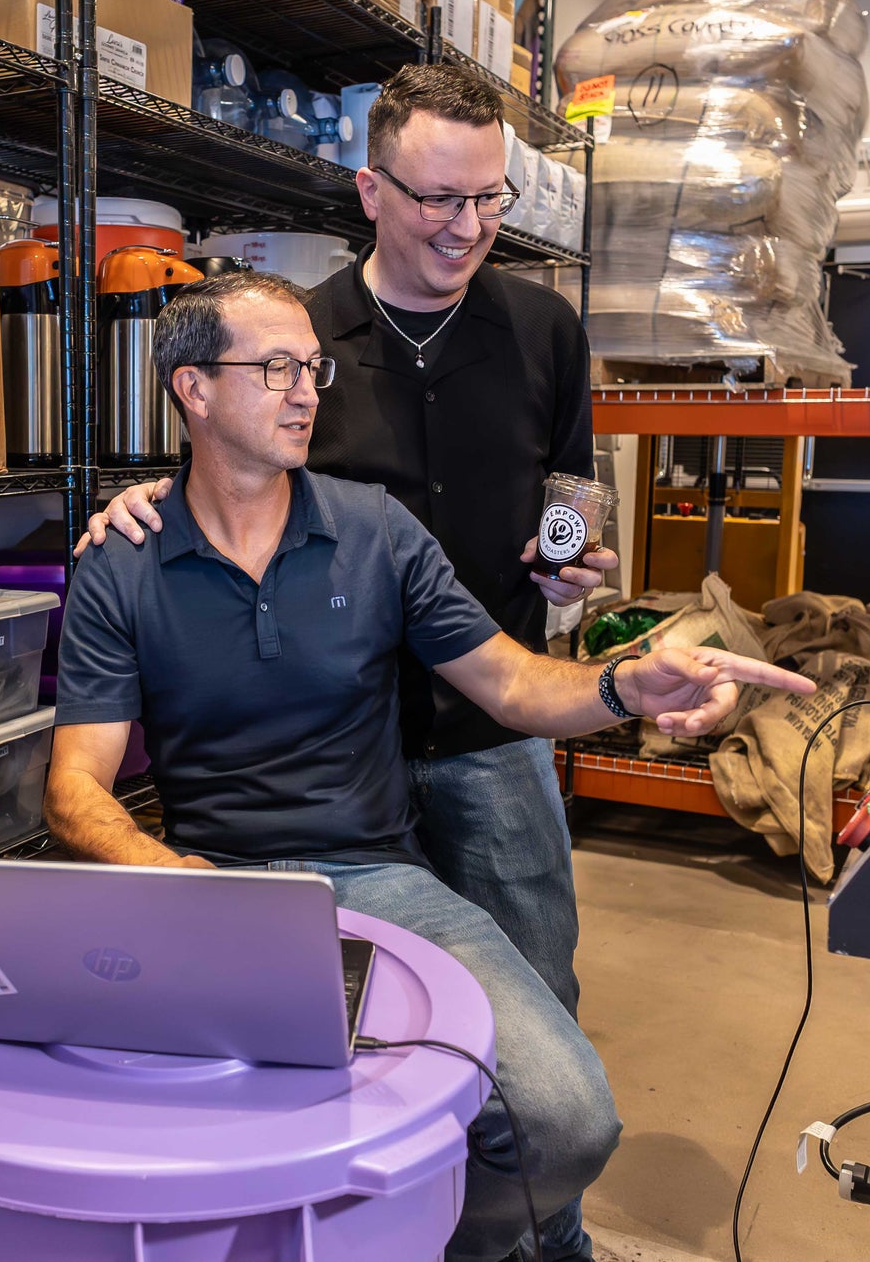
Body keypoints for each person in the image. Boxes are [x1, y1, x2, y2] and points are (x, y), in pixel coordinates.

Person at [47, 272, 813, 1262]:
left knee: (565, 1121)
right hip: (214, 886)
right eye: (275, 368)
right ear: (192, 388)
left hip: (378, 880)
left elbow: (512, 682)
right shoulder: (122, 562)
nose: (306, 392)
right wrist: (172, 878)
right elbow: (74, 787)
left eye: (312, 368)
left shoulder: (373, 530)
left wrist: (626, 683)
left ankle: (424, 1242)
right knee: (166, 1144)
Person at [78, 64, 603, 1066]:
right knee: (371, 1030)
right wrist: (143, 498)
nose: (466, 226)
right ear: (371, 191)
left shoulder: (545, 332)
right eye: (437, 199)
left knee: (534, 1007)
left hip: (492, 722)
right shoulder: (297, 339)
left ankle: (521, 1178)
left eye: (487, 197)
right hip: (340, 740)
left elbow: (574, 493)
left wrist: (576, 565)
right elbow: (231, 468)